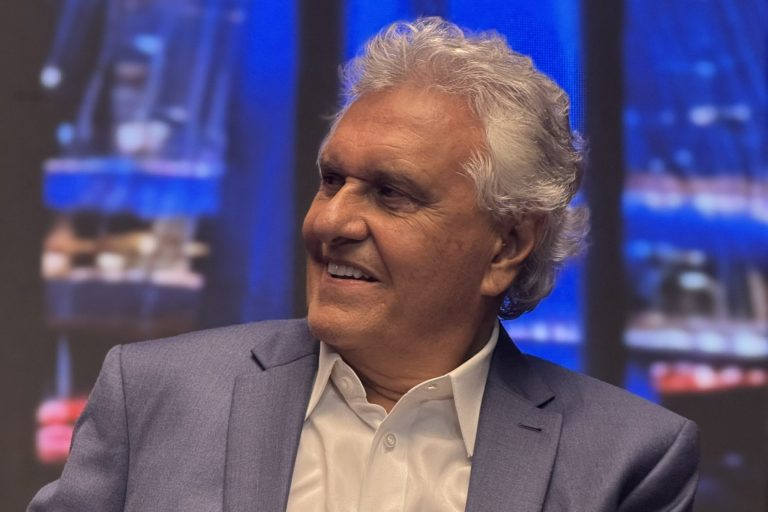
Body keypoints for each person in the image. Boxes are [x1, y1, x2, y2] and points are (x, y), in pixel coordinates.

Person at [29, 17, 699, 512]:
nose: (328, 223)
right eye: (331, 181)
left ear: (507, 245)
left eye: (390, 194)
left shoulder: (629, 460)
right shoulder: (152, 395)